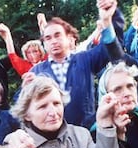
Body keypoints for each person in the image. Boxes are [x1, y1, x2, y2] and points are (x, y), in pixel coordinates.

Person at [30, 0, 124, 129]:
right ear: (44, 44)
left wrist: (109, 19)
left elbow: (112, 48)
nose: (53, 41)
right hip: (52, 137)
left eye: (58, 35)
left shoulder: (85, 59)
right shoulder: (36, 72)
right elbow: (23, 107)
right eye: (48, 38)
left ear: (69, 38)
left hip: (86, 132)